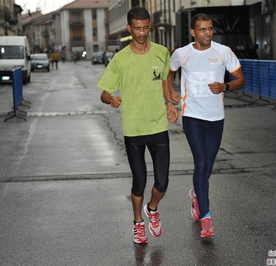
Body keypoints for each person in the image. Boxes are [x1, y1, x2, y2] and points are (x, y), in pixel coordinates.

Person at [97, 7, 178, 245]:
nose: (142, 33)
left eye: (145, 27)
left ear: (149, 26)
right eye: (137, 28)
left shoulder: (162, 52)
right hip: (133, 129)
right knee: (139, 180)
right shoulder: (121, 58)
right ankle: (138, 223)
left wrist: (169, 103)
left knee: (162, 182)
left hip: (157, 126)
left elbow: (164, 80)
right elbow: (104, 92)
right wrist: (111, 99)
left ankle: (152, 209)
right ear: (129, 28)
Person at [167, 13, 246, 238]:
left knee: (208, 166)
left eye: (210, 29)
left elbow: (241, 78)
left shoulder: (223, 52)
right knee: (201, 163)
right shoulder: (182, 53)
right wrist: (170, 94)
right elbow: (168, 73)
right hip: (191, 116)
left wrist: (226, 87)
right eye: (202, 29)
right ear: (193, 32)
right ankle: (206, 216)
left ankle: (196, 194)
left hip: (216, 118)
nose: (207, 33)